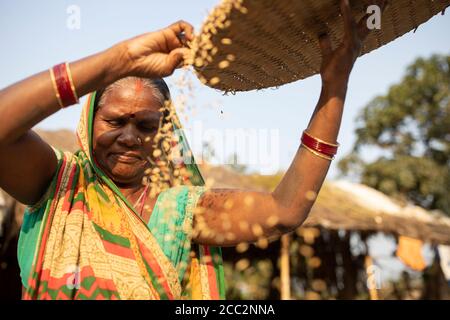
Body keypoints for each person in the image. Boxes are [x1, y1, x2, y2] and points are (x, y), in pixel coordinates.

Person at [0, 0, 370, 299]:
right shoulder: (59, 184)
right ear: (89, 121)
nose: (130, 137)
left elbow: (285, 210)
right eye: (115, 121)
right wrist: (116, 62)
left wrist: (334, 87)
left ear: (164, 133)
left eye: (146, 125)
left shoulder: (179, 210)